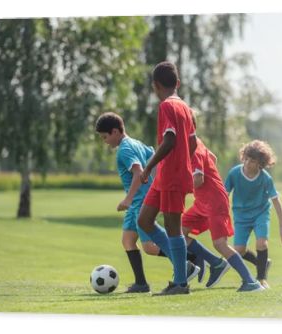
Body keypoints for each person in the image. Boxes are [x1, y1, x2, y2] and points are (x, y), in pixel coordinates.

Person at [95, 112, 199, 293]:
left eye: (105, 137)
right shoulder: (136, 143)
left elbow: (138, 171)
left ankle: (185, 264)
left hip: (139, 202)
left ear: (115, 131)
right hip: (138, 201)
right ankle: (141, 284)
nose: (105, 141)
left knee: (150, 247)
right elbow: (156, 160)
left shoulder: (125, 149)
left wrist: (128, 199)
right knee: (128, 240)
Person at [138, 61, 197, 296]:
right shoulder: (186, 108)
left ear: (155, 86)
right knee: (144, 220)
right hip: (167, 175)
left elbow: (169, 140)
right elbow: (191, 143)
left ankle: (181, 283)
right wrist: (183, 161)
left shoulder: (166, 107)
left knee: (173, 228)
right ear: (178, 83)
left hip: (170, 175)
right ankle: (183, 267)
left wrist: (148, 166)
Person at [182, 135, 264, 292]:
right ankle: (215, 263)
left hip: (214, 201)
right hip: (202, 201)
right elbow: (213, 158)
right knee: (180, 233)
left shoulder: (194, 149)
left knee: (220, 244)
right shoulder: (196, 142)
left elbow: (198, 179)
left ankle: (251, 282)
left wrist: (179, 188)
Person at [224, 140, 282, 289]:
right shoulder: (234, 173)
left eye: (252, 160)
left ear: (260, 163)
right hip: (241, 216)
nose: (247, 163)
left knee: (262, 243)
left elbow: (276, 201)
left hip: (260, 213)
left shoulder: (265, 178)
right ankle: (262, 262)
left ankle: (262, 278)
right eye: (246, 158)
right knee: (239, 250)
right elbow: (224, 194)